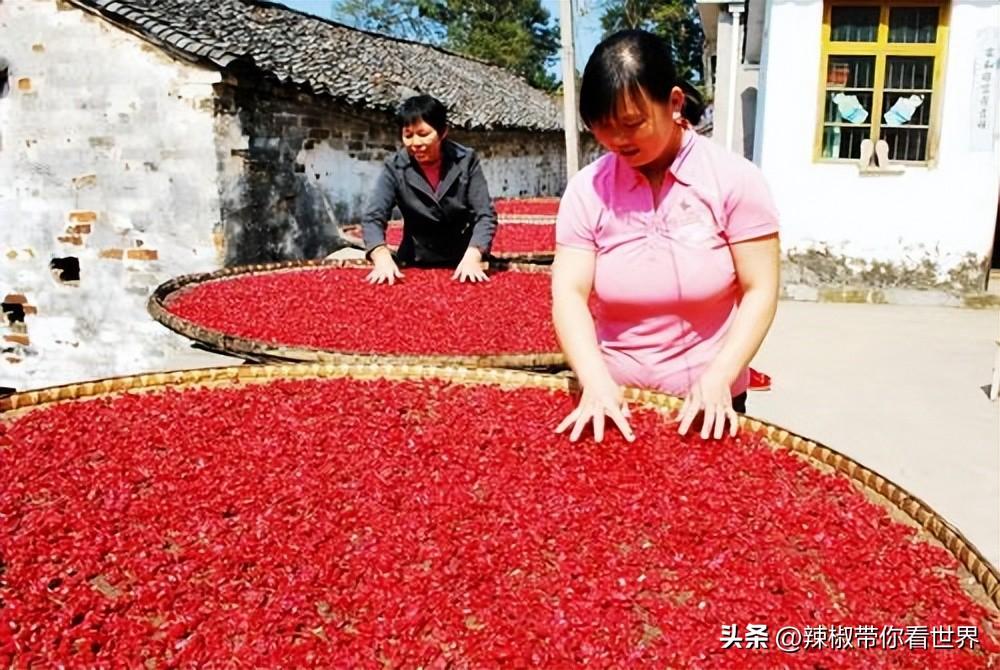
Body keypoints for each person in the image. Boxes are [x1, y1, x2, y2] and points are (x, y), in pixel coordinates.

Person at [552, 30, 781, 443]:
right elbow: (569, 291)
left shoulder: (734, 181)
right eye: (602, 127)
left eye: (632, 123)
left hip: (707, 403)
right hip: (611, 401)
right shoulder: (588, 189)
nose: (617, 140)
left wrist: (719, 377)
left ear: (674, 103)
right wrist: (594, 379)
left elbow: (760, 288)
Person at [362, 94, 498, 284]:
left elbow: (485, 215)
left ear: (442, 132)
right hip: (414, 260)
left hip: (463, 260)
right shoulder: (394, 167)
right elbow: (373, 217)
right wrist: (381, 255)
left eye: (423, 134)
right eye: (408, 135)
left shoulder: (466, 161)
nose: (415, 143)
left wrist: (474, 254)